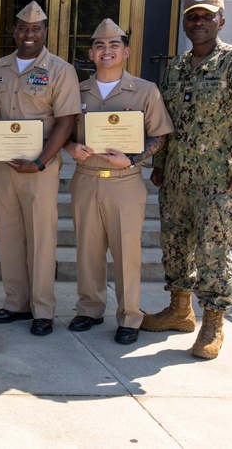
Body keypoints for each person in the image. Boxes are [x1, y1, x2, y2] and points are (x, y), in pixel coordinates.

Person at [145, 0, 232, 359]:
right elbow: (166, 123)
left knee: (213, 252)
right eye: (192, 16)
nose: (199, 22)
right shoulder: (175, 67)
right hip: (176, 179)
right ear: (185, 22)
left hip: (219, 180)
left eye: (206, 16)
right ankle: (179, 310)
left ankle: (213, 323)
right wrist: (160, 163)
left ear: (221, 19)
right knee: (175, 247)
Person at [63, 19, 173, 345]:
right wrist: (71, 146)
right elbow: (64, 132)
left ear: (125, 51)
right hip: (86, 179)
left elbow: (160, 135)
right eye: (99, 46)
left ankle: (130, 316)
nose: (106, 51)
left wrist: (134, 159)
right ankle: (90, 308)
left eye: (113, 46)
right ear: (91, 53)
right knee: (88, 250)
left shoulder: (145, 90)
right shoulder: (76, 91)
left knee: (127, 253)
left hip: (125, 182)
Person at [0, 0, 80, 337]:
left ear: (44, 32)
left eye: (35, 29)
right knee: (9, 236)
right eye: (23, 28)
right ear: (14, 31)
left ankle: (42, 309)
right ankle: (16, 303)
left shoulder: (60, 70)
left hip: (40, 168)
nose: (28, 34)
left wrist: (41, 161)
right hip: (4, 166)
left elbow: (66, 122)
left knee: (41, 238)